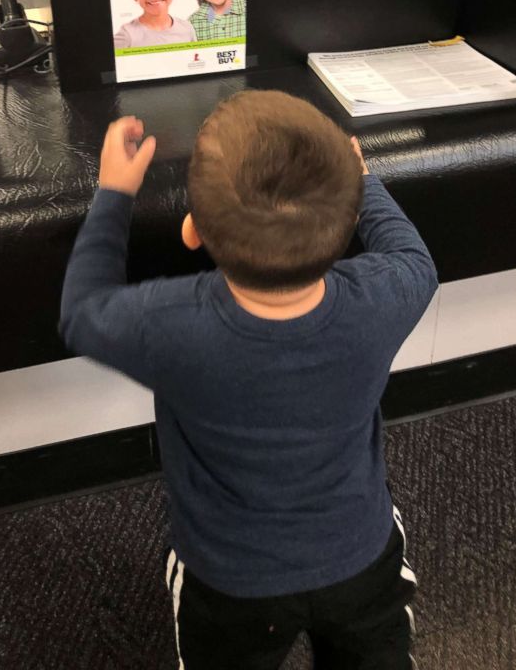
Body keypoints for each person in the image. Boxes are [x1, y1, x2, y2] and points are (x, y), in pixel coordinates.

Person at [60, 90, 438, 669]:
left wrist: (114, 195)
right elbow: (416, 258)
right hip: (362, 559)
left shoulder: (170, 324)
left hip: (229, 582)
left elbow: (81, 312)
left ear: (193, 233)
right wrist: (366, 184)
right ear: (343, 229)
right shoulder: (382, 298)